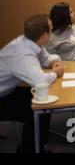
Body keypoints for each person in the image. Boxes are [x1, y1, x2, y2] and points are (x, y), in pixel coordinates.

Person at [0, 14, 65, 152]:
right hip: (2, 97)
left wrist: (54, 63)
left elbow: (45, 57)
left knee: (43, 102)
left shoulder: (28, 41)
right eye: (51, 30)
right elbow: (40, 82)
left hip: (7, 91)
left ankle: (38, 146)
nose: (52, 32)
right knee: (39, 106)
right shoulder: (23, 54)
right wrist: (55, 73)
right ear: (44, 35)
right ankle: (30, 149)